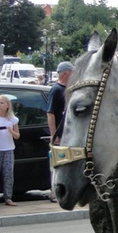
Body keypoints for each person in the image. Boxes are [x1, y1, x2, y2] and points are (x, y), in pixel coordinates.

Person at [46, 61, 74, 203]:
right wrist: (54, 134)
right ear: (66, 73)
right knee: (57, 163)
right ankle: (54, 191)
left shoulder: (70, 89)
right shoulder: (56, 89)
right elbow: (50, 113)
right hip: (59, 134)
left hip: (68, 133)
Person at [0, 95, 20, 207]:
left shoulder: (13, 120)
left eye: (2, 103)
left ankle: (8, 197)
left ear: (7, 105)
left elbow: (17, 136)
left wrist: (11, 131)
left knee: (8, 174)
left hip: (8, 149)